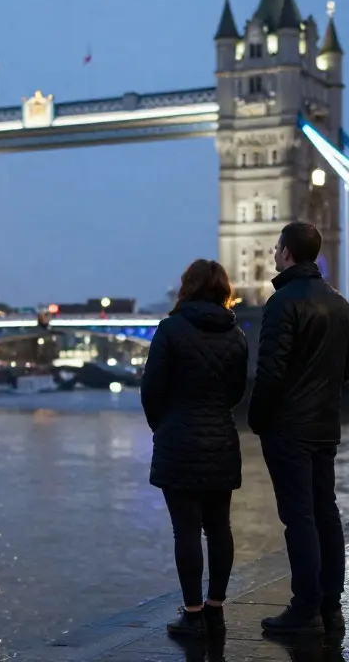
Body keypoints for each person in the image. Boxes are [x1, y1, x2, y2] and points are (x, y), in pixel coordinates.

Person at [248, 222, 349, 635]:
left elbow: (270, 373)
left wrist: (258, 419)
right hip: (325, 426)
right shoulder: (340, 304)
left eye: (277, 248)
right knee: (326, 512)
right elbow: (347, 370)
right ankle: (332, 605)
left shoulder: (281, 304)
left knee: (299, 518)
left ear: (288, 252)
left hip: (289, 429)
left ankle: (304, 607)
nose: (275, 254)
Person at [141, 259, 250, 638]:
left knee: (185, 531)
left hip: (179, 438)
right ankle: (216, 608)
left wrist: (165, 425)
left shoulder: (170, 329)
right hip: (222, 437)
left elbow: (151, 389)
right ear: (223, 289)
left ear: (186, 287)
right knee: (220, 527)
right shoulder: (236, 335)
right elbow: (237, 392)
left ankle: (193, 613)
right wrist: (216, 414)